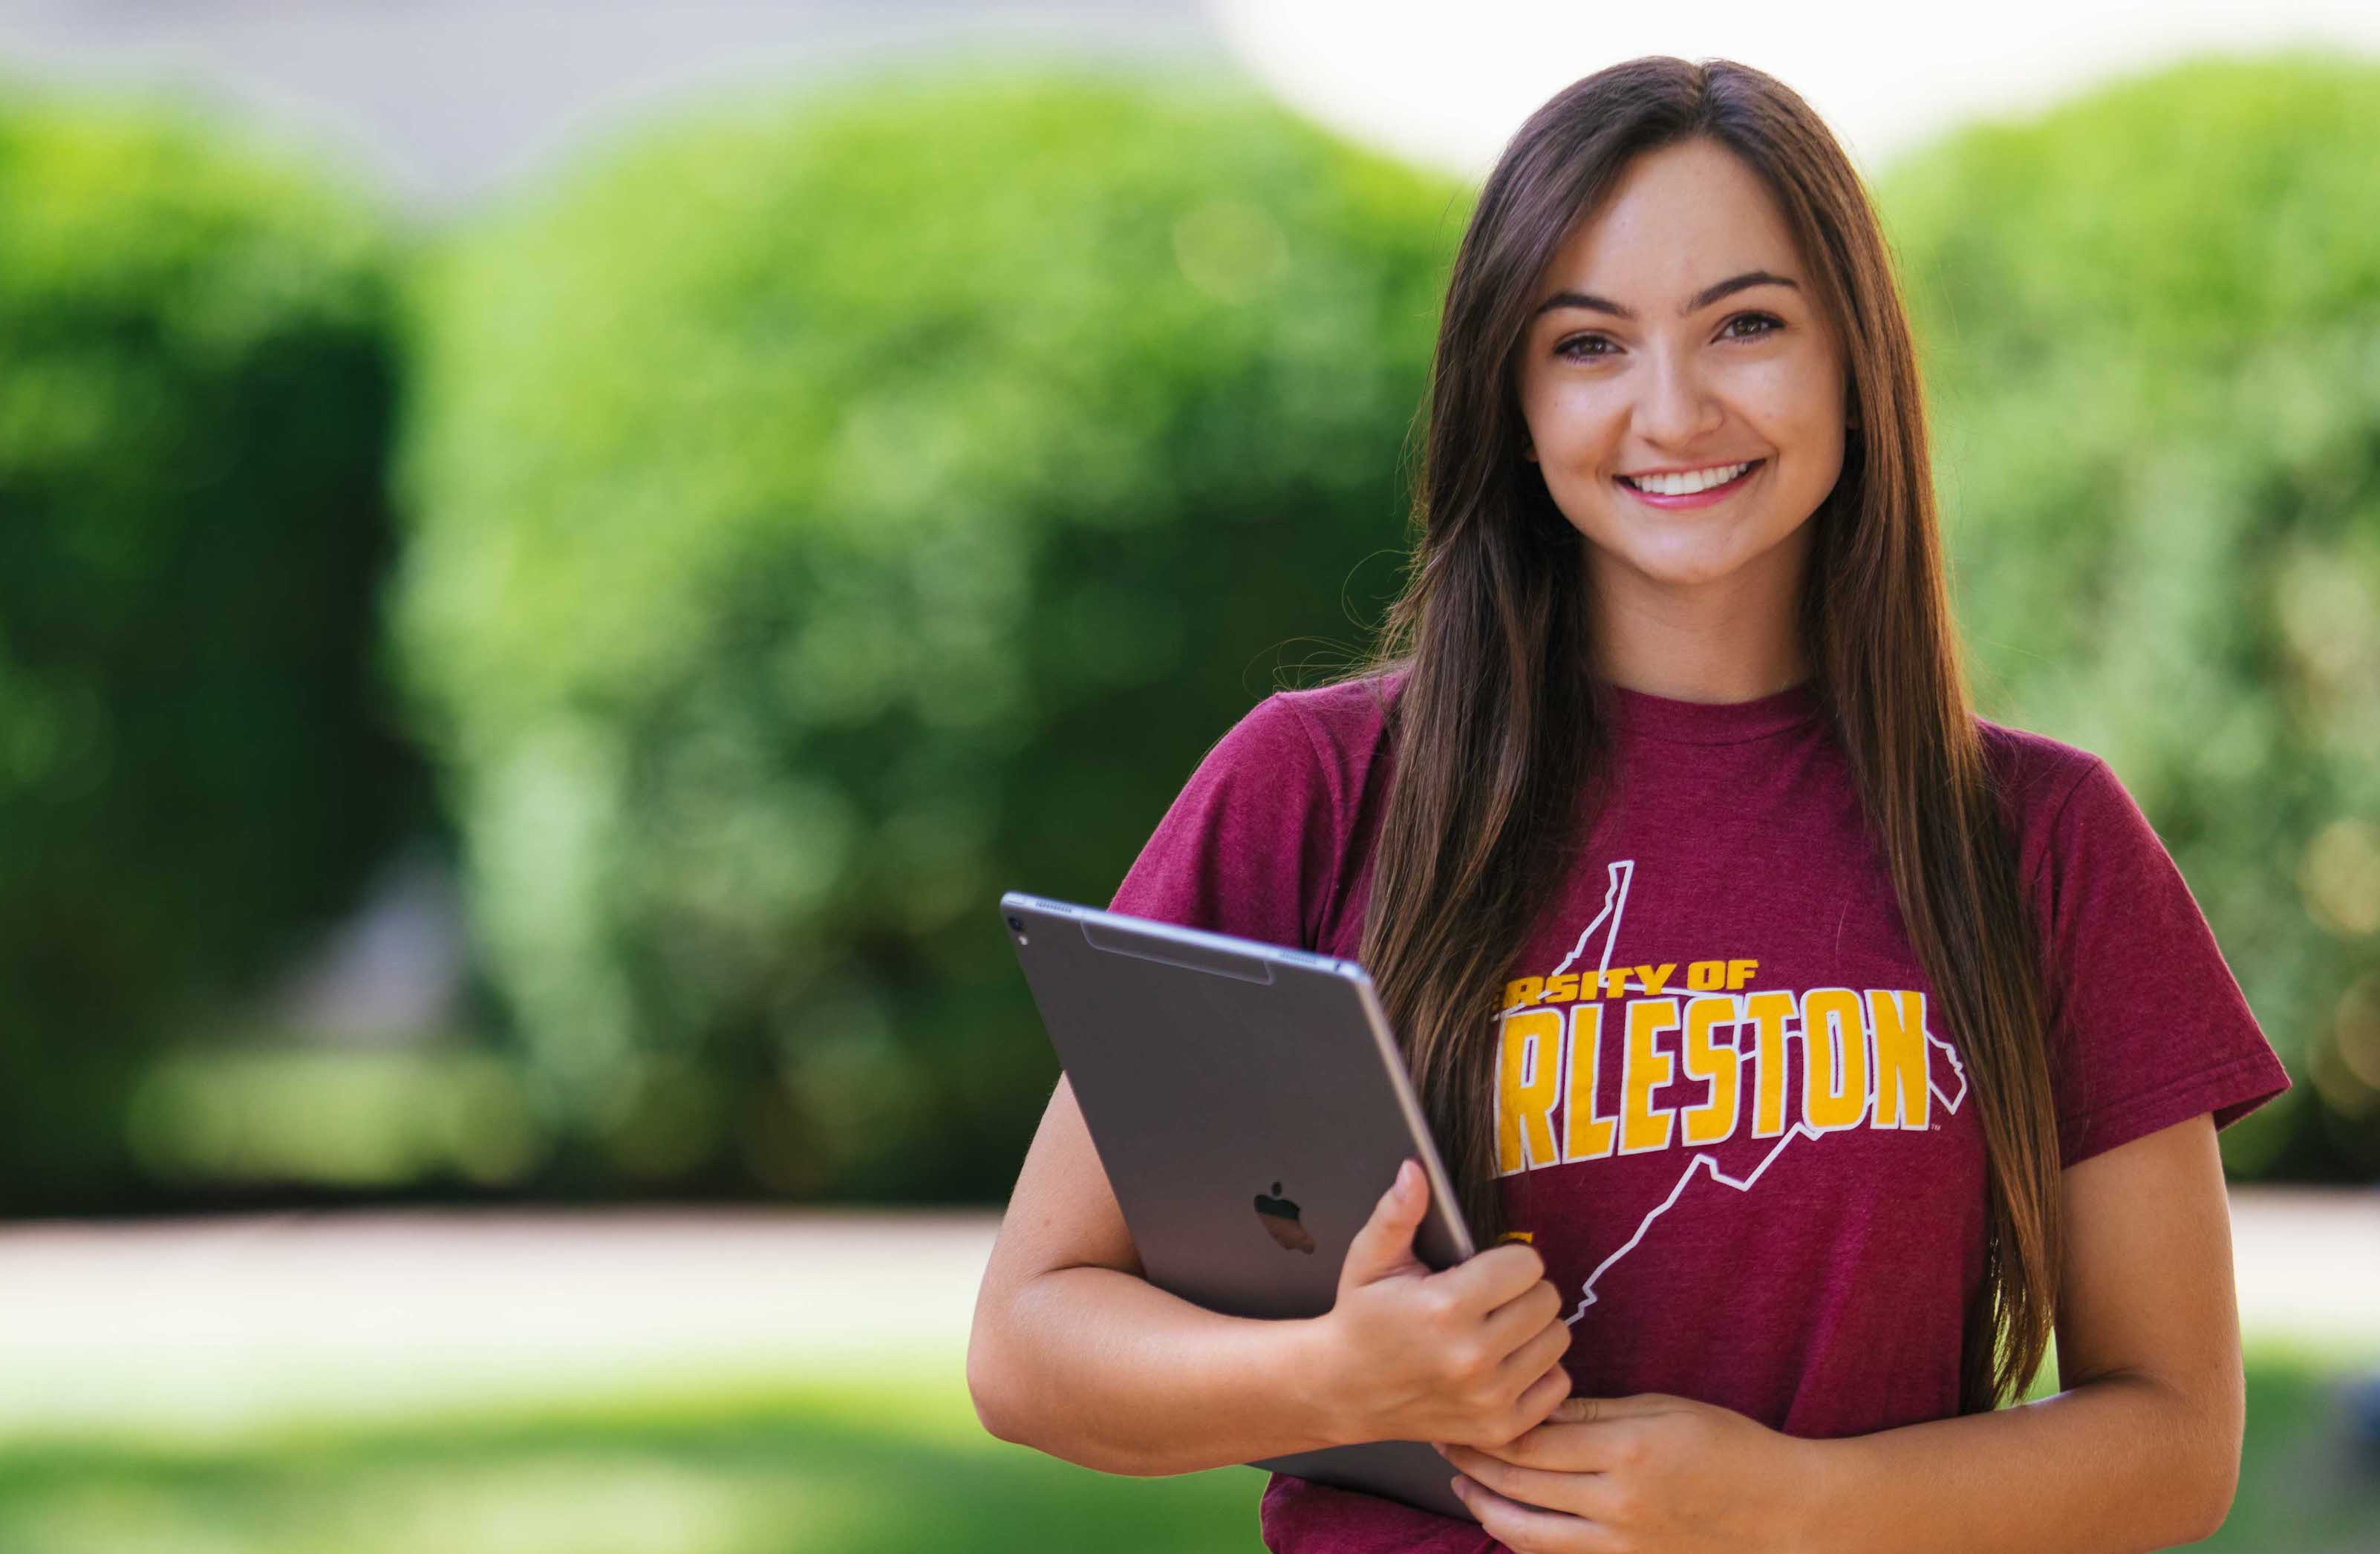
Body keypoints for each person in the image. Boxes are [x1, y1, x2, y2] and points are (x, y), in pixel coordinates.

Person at [965, 53, 2292, 1554]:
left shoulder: (2042, 841)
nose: (1672, 409)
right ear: (1512, 401)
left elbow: (2178, 1439)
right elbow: (1027, 1344)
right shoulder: (1316, 790)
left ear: (1856, 363)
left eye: (1746, 325)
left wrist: (1794, 1504)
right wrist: (1329, 1378)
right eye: (1588, 345)